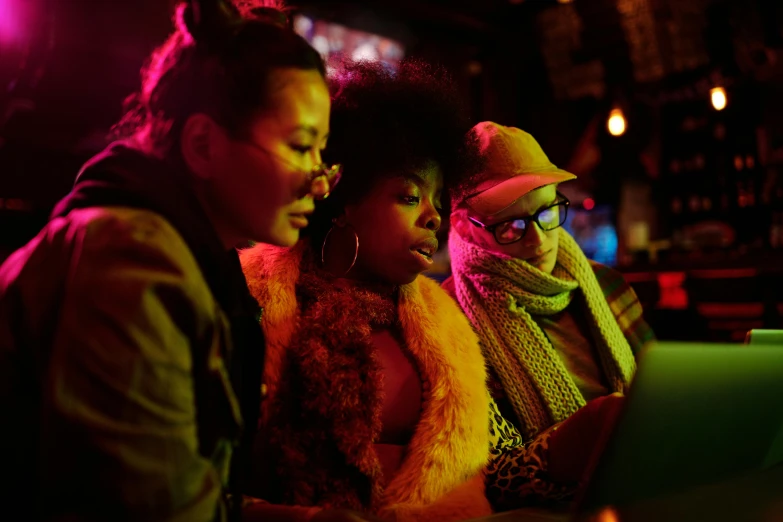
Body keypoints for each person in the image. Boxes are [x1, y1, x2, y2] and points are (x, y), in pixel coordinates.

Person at [0, 1, 340, 520]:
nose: (319, 182)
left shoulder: (201, 262)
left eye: (322, 153)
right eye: (299, 147)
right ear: (203, 144)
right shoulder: (129, 264)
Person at [240, 61, 573, 522]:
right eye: (410, 196)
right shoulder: (250, 299)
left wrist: (574, 444)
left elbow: (491, 467)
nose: (433, 217)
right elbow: (193, 478)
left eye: (438, 202)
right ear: (346, 200)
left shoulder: (447, 323)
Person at [444, 122, 655, 505]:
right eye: (512, 225)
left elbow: (661, 394)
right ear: (464, 224)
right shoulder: (449, 320)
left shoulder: (607, 285)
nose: (538, 238)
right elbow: (484, 476)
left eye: (547, 213)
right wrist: (581, 435)